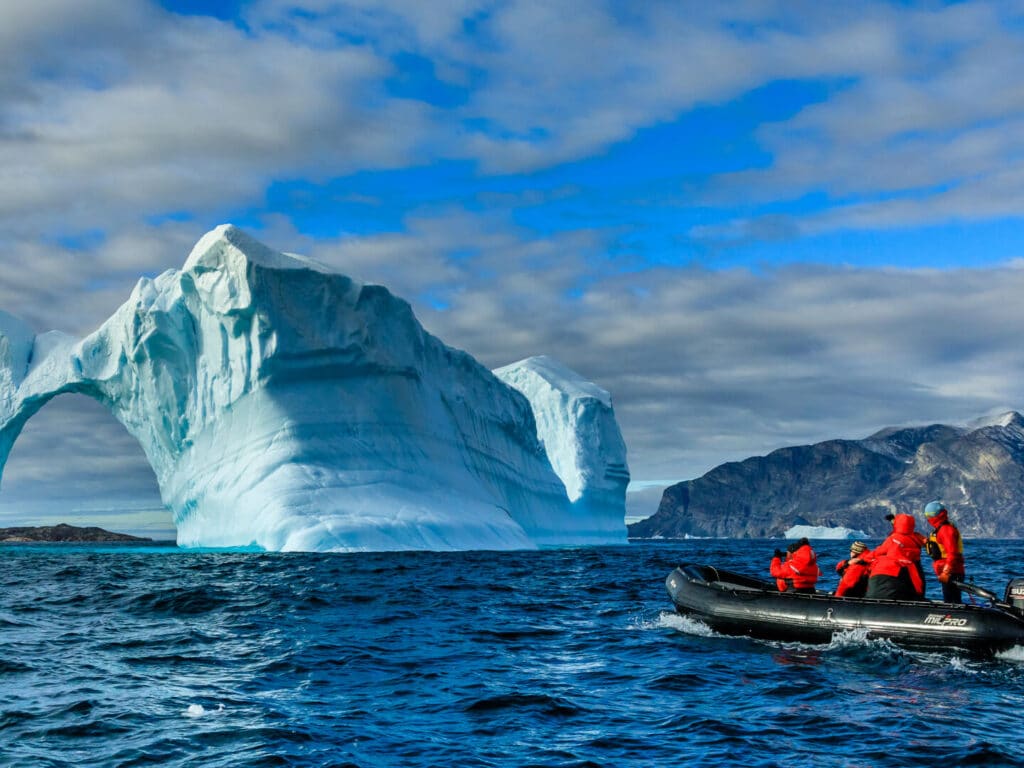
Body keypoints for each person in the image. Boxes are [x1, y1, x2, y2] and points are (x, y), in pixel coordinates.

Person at [864, 513, 926, 600]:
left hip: (896, 568)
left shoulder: (892, 538)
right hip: (913, 568)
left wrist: (864, 558)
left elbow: (879, 552)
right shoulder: (916, 538)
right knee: (917, 589)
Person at [923, 500, 966, 603]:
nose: (928, 518)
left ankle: (954, 617)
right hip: (946, 570)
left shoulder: (946, 530)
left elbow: (952, 553)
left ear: (937, 515)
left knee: (952, 600)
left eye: (930, 515)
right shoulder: (940, 529)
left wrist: (946, 572)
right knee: (949, 598)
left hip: (952, 571)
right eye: (926, 515)